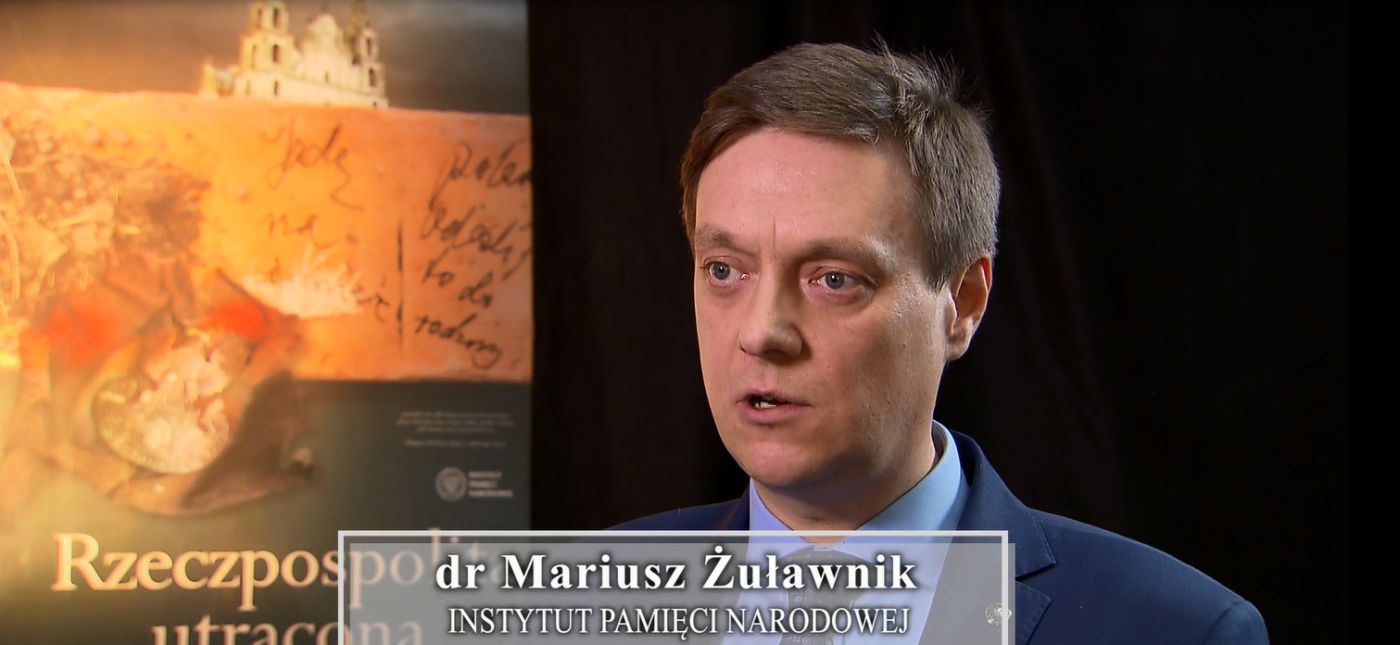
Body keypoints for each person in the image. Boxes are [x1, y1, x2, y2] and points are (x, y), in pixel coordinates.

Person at [617, 42, 1268, 644]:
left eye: (834, 279)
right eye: (725, 270)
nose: (761, 333)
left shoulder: (1178, 630)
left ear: (964, 302)